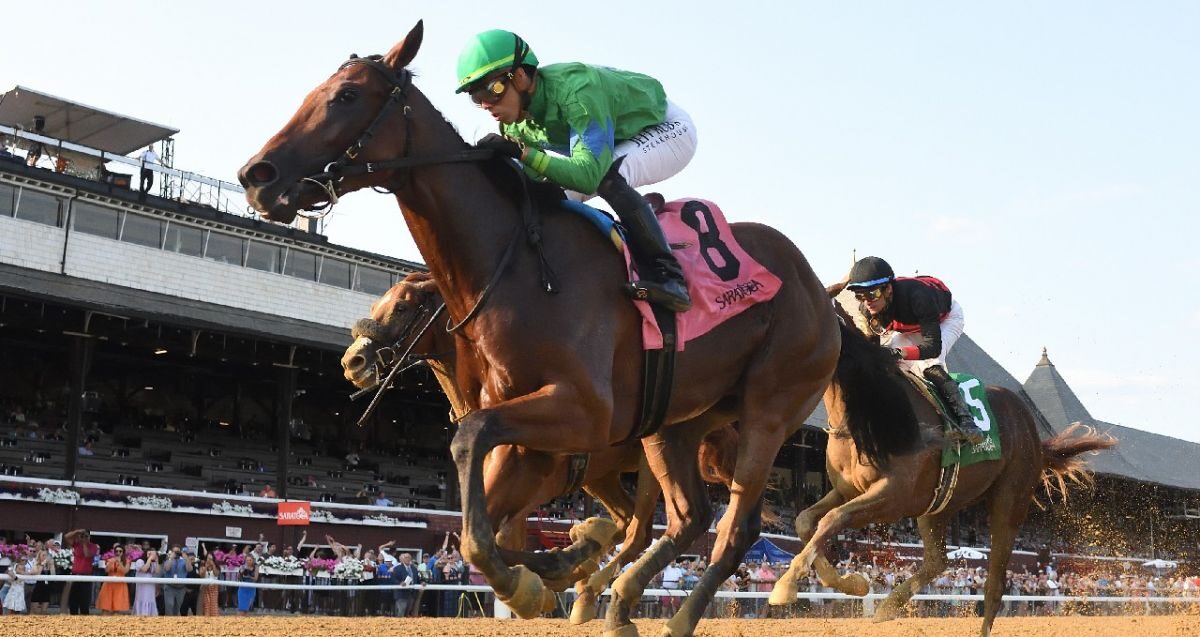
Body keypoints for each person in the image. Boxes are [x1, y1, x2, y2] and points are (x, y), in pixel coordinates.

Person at [455, 29, 697, 312]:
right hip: (615, 137)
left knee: (608, 177)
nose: (486, 104)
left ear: (520, 76)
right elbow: (537, 182)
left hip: (666, 128)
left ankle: (670, 277)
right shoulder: (513, 123)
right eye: (476, 96)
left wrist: (523, 153)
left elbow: (587, 177)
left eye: (492, 89)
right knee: (547, 197)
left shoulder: (576, 93)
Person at [840, 256, 985, 445]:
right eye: (860, 296)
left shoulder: (919, 297)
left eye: (873, 294)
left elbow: (932, 348)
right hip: (909, 328)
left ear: (888, 289)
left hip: (945, 322)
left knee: (928, 365)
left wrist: (901, 353)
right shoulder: (867, 310)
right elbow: (874, 348)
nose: (867, 302)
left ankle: (967, 422)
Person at [64, 528, 99, 615]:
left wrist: (84, 544)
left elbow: (87, 555)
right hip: (75, 574)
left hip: (86, 576)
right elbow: (66, 537)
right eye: (82, 536)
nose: (84, 538)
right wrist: (77, 532)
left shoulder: (94, 546)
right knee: (73, 601)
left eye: (86, 536)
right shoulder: (76, 544)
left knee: (84, 602)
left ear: (89, 537)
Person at [96, 544, 131, 614]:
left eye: (120, 551)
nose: (118, 553)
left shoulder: (127, 561)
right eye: (116, 551)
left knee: (117, 608)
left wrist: (119, 562)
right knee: (105, 607)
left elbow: (125, 571)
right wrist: (111, 562)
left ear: (123, 552)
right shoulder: (110, 560)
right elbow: (106, 570)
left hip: (120, 584)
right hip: (109, 583)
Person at [132, 549, 160, 615]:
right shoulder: (140, 561)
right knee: (142, 599)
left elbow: (157, 571)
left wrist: (157, 561)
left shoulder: (152, 563)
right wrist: (149, 559)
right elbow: (144, 569)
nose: (152, 555)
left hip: (150, 586)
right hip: (142, 586)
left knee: (150, 600)